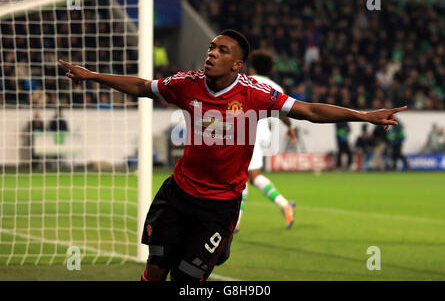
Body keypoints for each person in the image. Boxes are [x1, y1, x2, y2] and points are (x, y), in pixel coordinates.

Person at [59, 29, 406, 281]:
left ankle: (219, 242)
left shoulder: (259, 93)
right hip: (178, 194)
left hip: (220, 204)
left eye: (222, 50)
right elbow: (141, 87)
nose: (211, 53)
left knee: (186, 280)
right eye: (211, 47)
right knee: (155, 269)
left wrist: (363, 115)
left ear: (238, 64)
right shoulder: (187, 83)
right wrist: (92, 77)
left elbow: (310, 111)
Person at [235, 50, 297, 233]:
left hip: (243, 133)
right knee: (252, 176)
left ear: (251, 67)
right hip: (261, 134)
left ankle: (235, 221)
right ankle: (284, 204)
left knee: (243, 177)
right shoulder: (276, 87)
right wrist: (290, 128)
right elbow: (282, 113)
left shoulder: (245, 81)